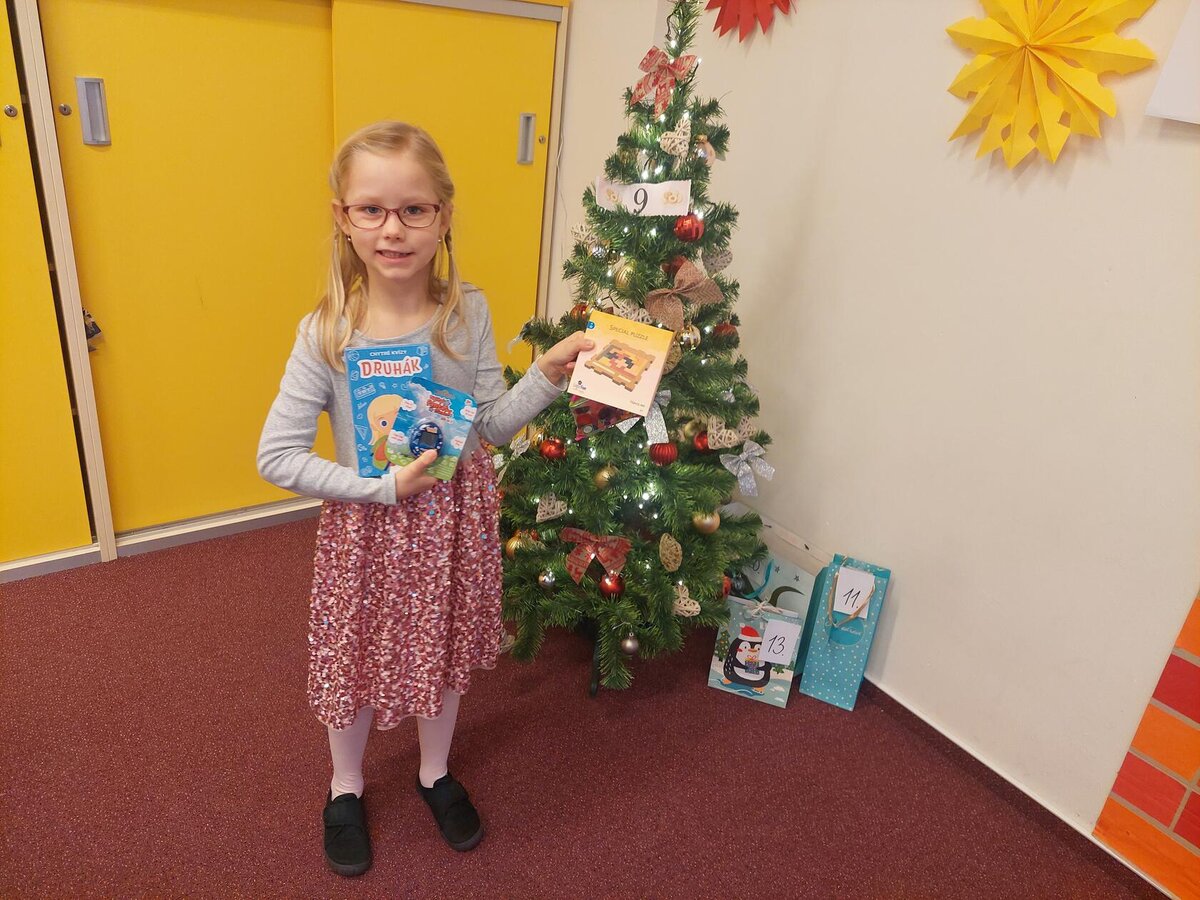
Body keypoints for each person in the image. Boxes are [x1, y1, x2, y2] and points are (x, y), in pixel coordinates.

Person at [257, 120, 591, 877]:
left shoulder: (466, 313)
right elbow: (276, 456)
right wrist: (377, 487)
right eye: (370, 209)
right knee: (354, 657)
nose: (392, 229)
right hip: (368, 530)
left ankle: (434, 772)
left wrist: (548, 373)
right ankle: (345, 785)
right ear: (342, 218)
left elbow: (489, 426)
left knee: (440, 651)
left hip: (452, 524)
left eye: (413, 209)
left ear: (443, 217)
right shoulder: (327, 333)